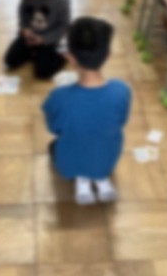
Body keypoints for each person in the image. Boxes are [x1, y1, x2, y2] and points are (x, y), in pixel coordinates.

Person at [43, 17, 131, 205]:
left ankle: (82, 182)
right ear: (108, 55)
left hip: (69, 163)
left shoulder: (59, 96)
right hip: (107, 159)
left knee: (53, 146)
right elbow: (122, 121)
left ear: (70, 56)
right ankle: (101, 179)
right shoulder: (122, 90)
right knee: (98, 141)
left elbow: (53, 128)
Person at [4, 0, 71, 80]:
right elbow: (23, 11)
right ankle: (34, 54)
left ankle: (62, 54)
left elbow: (63, 27)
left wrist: (44, 39)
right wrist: (24, 28)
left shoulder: (62, 1)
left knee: (42, 73)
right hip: (30, 36)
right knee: (10, 61)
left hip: (49, 40)